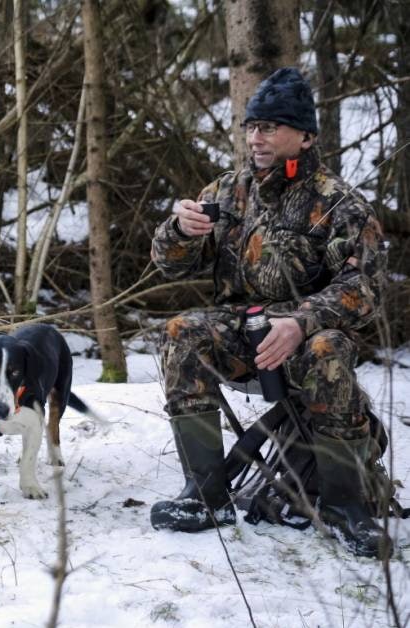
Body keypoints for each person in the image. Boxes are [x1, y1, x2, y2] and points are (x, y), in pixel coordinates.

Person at [149, 67, 389, 558]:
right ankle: (206, 495)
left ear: (304, 136)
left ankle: (346, 505)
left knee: (327, 347)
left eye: (270, 127)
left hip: (309, 340)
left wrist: (302, 321)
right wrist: (179, 230)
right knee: (180, 331)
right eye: (251, 127)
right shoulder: (227, 192)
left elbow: (364, 287)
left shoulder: (337, 202)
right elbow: (166, 265)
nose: (256, 138)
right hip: (242, 330)